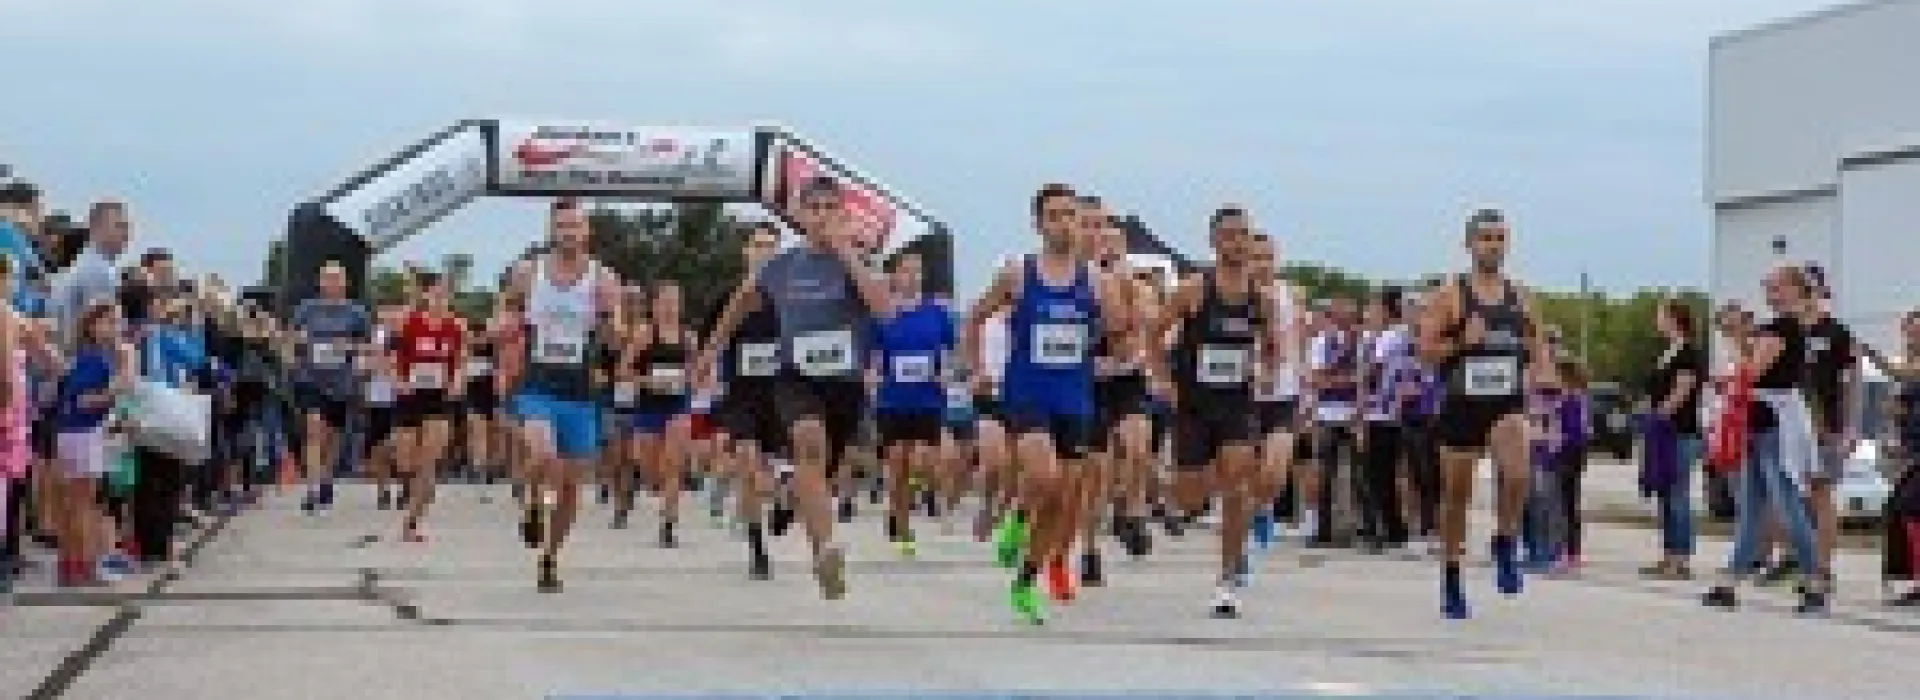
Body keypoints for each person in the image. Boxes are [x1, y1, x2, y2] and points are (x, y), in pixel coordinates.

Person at [701, 177, 891, 601]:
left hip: (844, 384)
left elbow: (884, 309)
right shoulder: (781, 267)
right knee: (808, 444)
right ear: (801, 216)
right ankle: (824, 550)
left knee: (823, 471)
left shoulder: (859, 260)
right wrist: (712, 348)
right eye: (814, 208)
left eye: (830, 208)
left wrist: (847, 255)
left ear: (842, 214)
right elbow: (741, 301)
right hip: (795, 378)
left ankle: (799, 507)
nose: (822, 216)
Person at [962, 183, 1129, 625]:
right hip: (1027, 396)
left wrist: (1114, 289)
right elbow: (976, 317)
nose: (1063, 223)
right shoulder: (1019, 274)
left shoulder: (1094, 278)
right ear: (1038, 224)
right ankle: (1017, 521)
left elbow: (1120, 330)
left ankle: (1024, 580)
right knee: (1045, 476)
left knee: (1061, 497)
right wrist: (976, 369)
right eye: (1054, 215)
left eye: (1070, 215)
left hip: (1074, 399)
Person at [1416, 208, 1553, 620]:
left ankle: (1506, 540)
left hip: (1505, 403)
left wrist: (1543, 373)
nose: (1493, 246)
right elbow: (1424, 352)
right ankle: (1452, 578)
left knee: (1518, 473)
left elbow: (1537, 343)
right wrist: (1460, 341)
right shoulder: (1450, 295)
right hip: (1461, 405)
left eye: (1500, 238)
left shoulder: (1520, 296)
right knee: (1456, 497)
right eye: (1485, 238)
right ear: (1469, 244)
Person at [1155, 205, 1272, 618]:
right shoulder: (1194, 289)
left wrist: (1267, 369)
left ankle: (1227, 581)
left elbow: (1270, 342)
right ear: (1213, 241)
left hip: (1236, 404)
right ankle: (1169, 500)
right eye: (1228, 235)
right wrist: (1164, 380)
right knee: (1192, 496)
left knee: (1238, 486)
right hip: (1194, 404)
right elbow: (1154, 332)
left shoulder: (1260, 295)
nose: (1236, 243)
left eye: (1243, 235)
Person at [502, 198, 622, 592]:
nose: (568, 233)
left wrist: (609, 323)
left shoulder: (603, 279)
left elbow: (614, 337)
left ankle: (550, 558)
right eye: (562, 226)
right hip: (537, 386)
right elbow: (508, 315)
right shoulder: (527, 272)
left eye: (575, 226)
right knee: (541, 453)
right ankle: (533, 502)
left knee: (571, 486)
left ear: (587, 232)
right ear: (551, 231)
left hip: (580, 392)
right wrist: (506, 336)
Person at [1700, 265, 1828, 615]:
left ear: (1793, 289)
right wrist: (1740, 343)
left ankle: (1815, 580)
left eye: (1775, 286)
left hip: (1773, 424)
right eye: (1766, 285)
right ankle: (1731, 578)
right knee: (1753, 507)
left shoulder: (1781, 327)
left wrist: (1732, 361)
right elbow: (1752, 369)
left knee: (1786, 504)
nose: (1768, 291)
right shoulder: (1784, 327)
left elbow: (1751, 372)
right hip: (1761, 422)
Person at [711, 223, 784, 580]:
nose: (764, 252)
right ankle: (758, 549)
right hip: (741, 397)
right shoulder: (728, 298)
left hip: (784, 397)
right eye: (758, 245)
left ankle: (784, 502)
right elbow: (712, 341)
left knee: (779, 477)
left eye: (771, 246)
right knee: (749, 464)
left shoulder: (790, 298)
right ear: (746, 252)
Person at [869, 252, 955, 558]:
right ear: (895, 276)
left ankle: (912, 500)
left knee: (923, 459)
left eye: (918, 271)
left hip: (928, 397)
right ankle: (901, 526)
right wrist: (873, 377)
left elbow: (947, 351)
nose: (913, 277)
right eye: (906, 271)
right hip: (893, 399)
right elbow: (876, 357)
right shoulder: (884, 313)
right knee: (898, 464)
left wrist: (945, 373)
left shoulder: (938, 312)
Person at [52, 302, 131, 586]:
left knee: (75, 502)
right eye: (108, 322)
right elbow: (83, 400)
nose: (114, 328)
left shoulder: (86, 356)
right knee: (84, 503)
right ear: (92, 326)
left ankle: (71, 564)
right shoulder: (94, 359)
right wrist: (114, 390)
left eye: (117, 322)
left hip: (73, 432)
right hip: (83, 432)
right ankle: (84, 564)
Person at [287, 262, 373, 513]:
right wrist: (293, 351)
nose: (332, 283)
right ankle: (312, 488)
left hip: (341, 382)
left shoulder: (356, 313)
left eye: (337, 278)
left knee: (333, 436)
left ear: (345, 283)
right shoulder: (306, 309)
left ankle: (326, 477)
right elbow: (290, 338)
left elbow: (369, 347)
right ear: (320, 282)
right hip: (310, 378)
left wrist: (350, 348)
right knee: (314, 428)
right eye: (327, 278)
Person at [390, 272, 466, 543]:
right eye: (435, 294)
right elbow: (392, 356)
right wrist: (398, 380)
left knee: (428, 461)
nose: (440, 299)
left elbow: (459, 361)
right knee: (405, 460)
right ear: (426, 296)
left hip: (438, 397)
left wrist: (456, 382)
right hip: (409, 396)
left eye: (445, 295)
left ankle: (412, 523)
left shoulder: (456, 327)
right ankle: (409, 482)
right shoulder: (408, 322)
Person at [1797, 265, 1858, 590]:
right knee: (1797, 497)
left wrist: (1848, 428)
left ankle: (1823, 569)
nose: (1806, 295)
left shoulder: (1836, 333)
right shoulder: (1791, 331)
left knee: (1821, 495)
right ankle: (1801, 562)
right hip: (1793, 426)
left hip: (1825, 426)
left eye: (1811, 288)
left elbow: (1849, 383)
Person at [626, 280, 696, 548]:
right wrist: (648, 382)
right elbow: (624, 370)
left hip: (678, 405)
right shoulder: (645, 334)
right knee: (651, 471)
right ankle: (651, 485)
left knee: (673, 464)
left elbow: (697, 369)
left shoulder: (687, 337)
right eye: (664, 302)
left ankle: (668, 524)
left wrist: (694, 377)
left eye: (674, 302)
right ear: (654, 306)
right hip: (648, 406)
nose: (670, 308)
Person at [1641, 299, 1705, 579]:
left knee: (1678, 494)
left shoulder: (1688, 352)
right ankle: (1667, 555)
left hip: (1680, 431)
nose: (1657, 320)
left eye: (1661, 315)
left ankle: (1682, 558)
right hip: (1662, 432)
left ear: (1674, 319)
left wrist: (1662, 414)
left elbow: (1683, 390)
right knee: (1665, 494)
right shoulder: (1667, 352)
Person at [1357, 288, 1413, 552]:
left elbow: (1372, 373)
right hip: (1394, 412)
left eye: (1374, 307)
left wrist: (1360, 412)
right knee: (1390, 474)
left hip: (1382, 412)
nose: (1370, 313)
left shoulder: (1388, 337)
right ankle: (1394, 529)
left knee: (1377, 476)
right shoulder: (1403, 335)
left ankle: (1383, 530)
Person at [1880, 310, 1920, 606]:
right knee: (1903, 508)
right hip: (1913, 450)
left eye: (1915, 331)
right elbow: (1903, 407)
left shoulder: (1911, 369)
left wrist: (1871, 357)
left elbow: (1901, 374)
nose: (1911, 336)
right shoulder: (1910, 367)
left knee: (1909, 505)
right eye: (1908, 331)